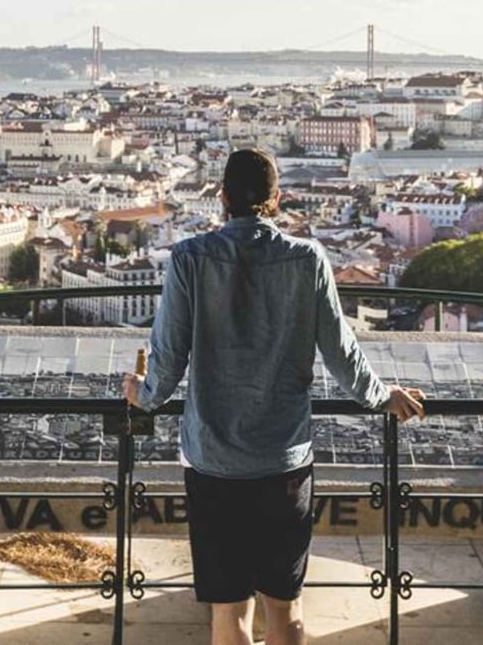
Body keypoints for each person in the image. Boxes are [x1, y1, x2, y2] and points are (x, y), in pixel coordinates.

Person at [123, 147, 425, 645]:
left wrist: (143, 394)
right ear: (276, 199)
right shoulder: (307, 259)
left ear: (221, 198)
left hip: (213, 461)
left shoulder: (189, 259)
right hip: (283, 462)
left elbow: (169, 354)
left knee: (229, 617)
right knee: (285, 613)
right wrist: (381, 397)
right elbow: (340, 351)